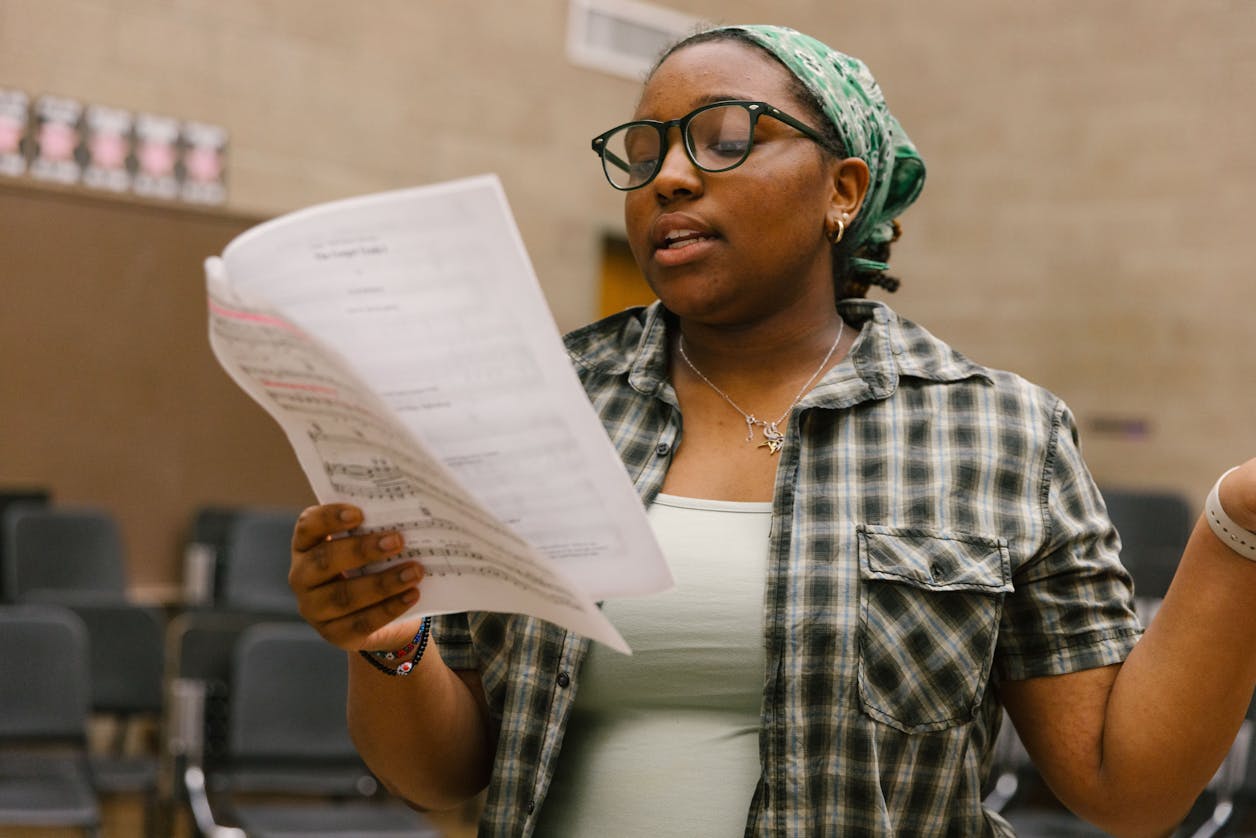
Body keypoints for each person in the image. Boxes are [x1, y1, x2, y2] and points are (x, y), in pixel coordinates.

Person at [287, 24, 1256, 836]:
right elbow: (444, 772)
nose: (666, 176)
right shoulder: (536, 404)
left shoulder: (997, 432)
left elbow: (1117, 779)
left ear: (841, 190)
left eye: (722, 138)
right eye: (643, 149)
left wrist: (1238, 522)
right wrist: (390, 640)